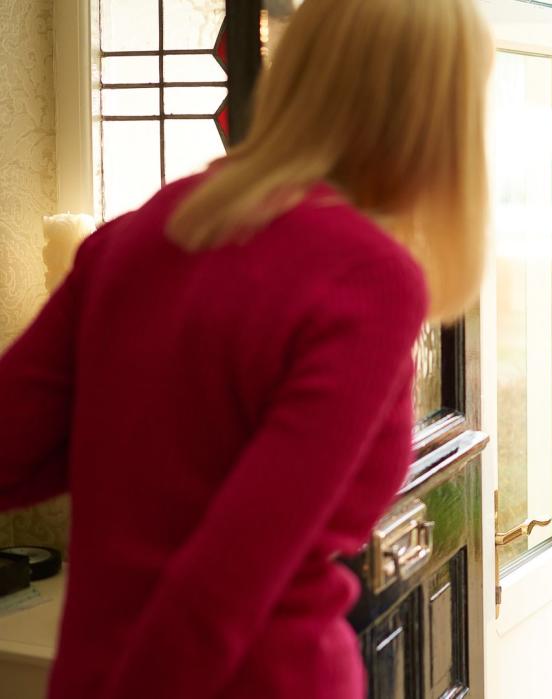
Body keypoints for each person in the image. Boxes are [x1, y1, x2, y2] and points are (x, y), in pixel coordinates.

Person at [0, 1, 491, 697]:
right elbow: (229, 575)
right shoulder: (367, 276)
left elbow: (12, 446)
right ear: (439, 112)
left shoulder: (145, 228)